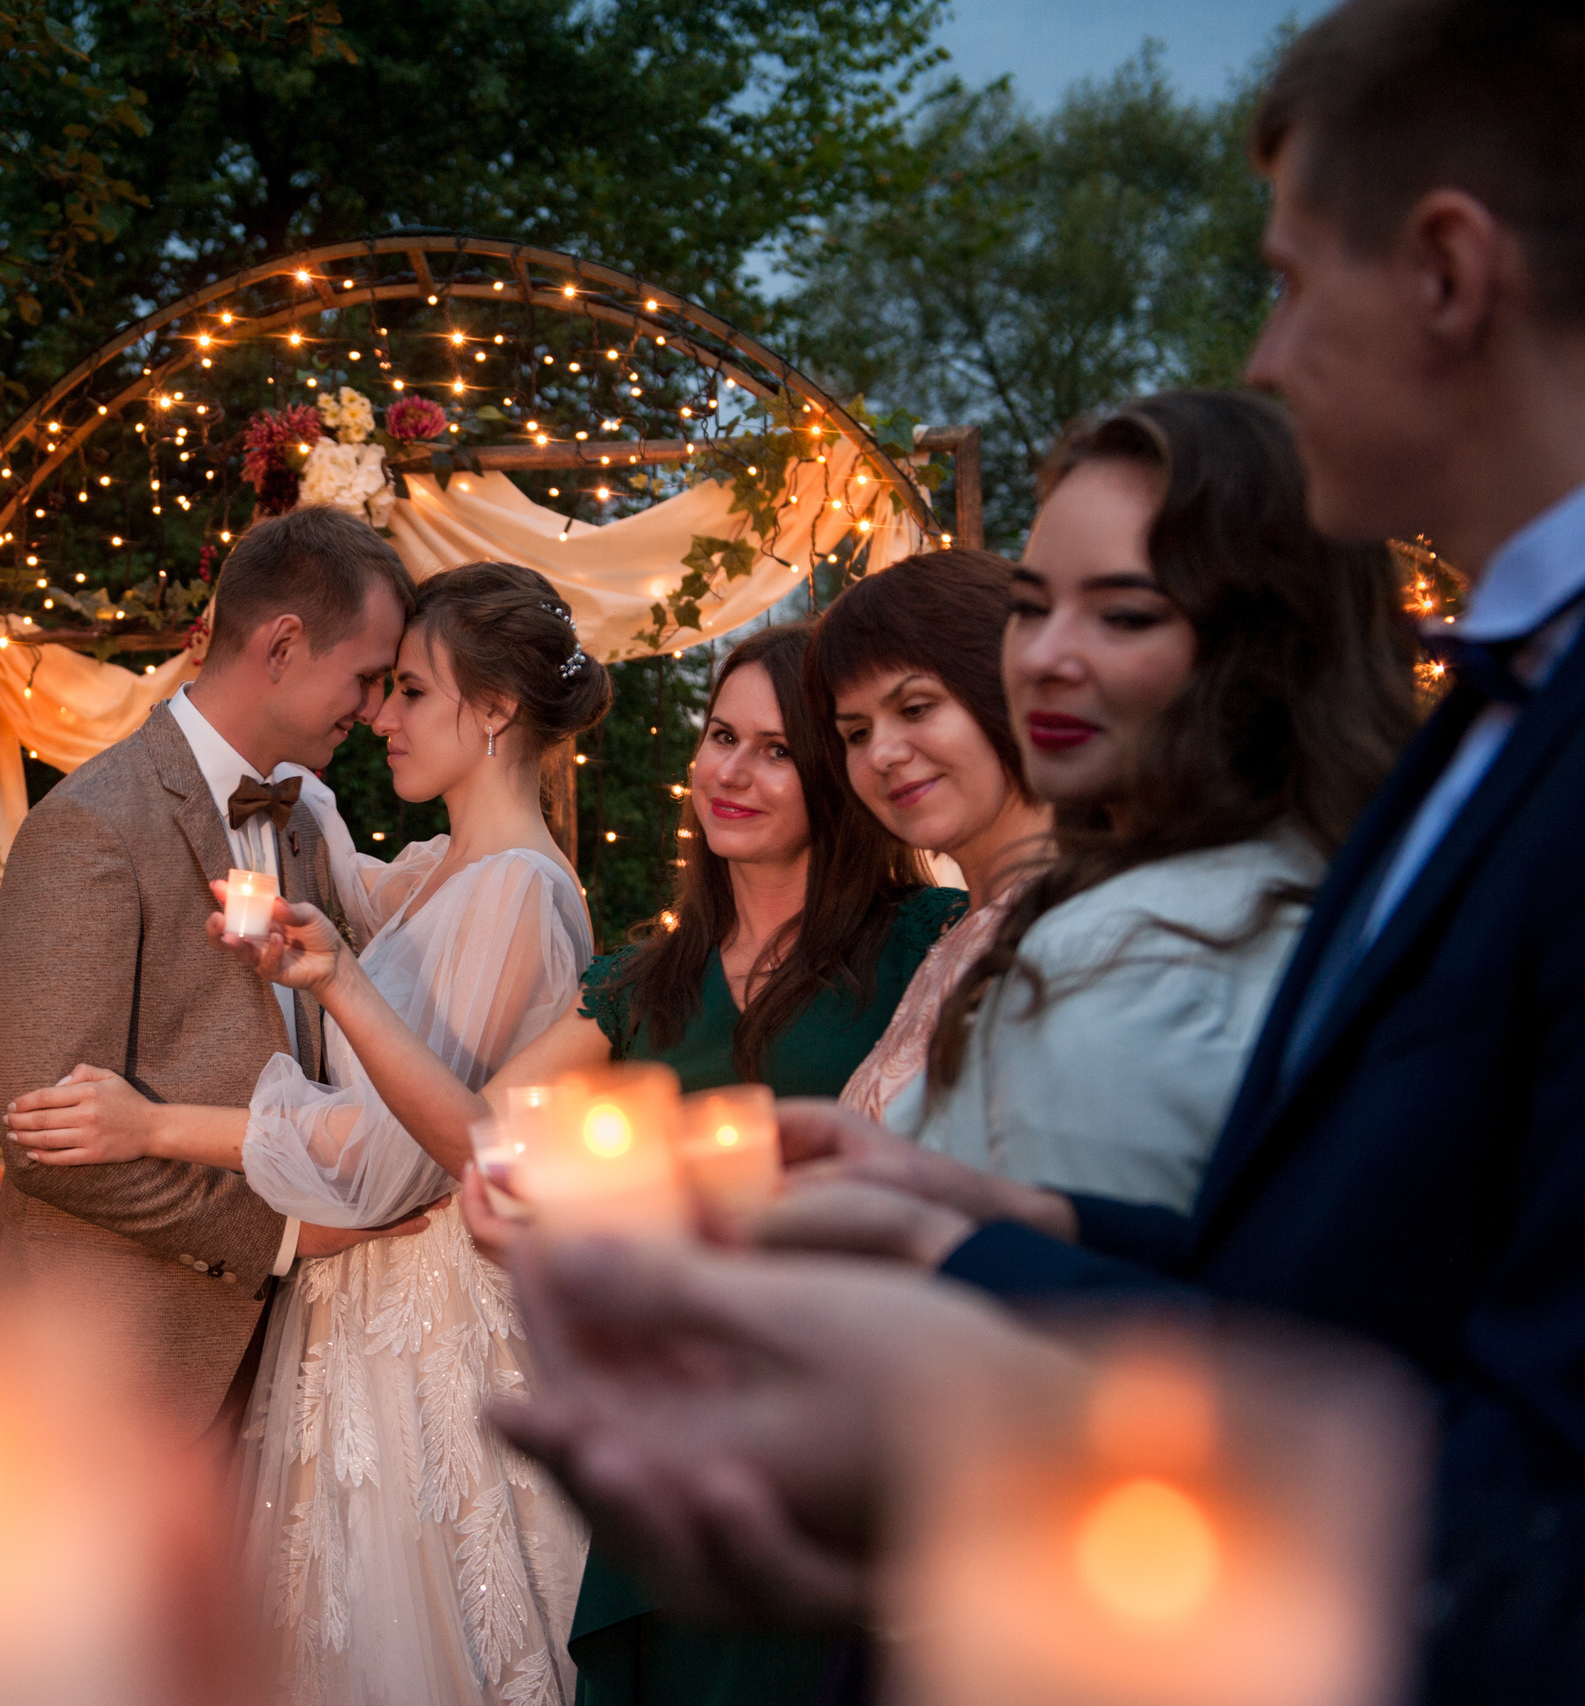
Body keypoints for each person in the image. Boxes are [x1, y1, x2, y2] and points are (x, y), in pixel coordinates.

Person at [511, 2, 1585, 1696]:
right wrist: (977, 1225)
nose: (1265, 359)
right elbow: (1318, 1294)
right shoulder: (1498, 721)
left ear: (1449, 272)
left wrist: (966, 1399)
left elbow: (1533, 1468)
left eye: (1291, 281)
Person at [211, 621, 963, 1706]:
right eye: (717, 736)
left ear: (838, 773)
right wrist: (339, 983)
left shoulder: (927, 944)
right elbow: (482, 1144)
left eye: (776, 748)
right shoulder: (642, 980)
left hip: (836, 1438)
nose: (729, 772)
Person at [6, 562, 610, 1705]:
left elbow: (387, 1154)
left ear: (492, 711)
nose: (380, 712)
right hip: (343, 1327)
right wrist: (291, 775)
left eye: (411, 690)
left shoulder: (517, 891)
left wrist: (152, 1121)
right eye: (375, 683)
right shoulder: (436, 871)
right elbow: (347, 881)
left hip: (417, 1325)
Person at [833, 393, 1414, 1212]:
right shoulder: (1096, 912)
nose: (1045, 656)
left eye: (1125, 614)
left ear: (1272, 646)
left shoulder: (1137, 953)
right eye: (1031, 608)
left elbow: (1079, 1320)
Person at [0, 504, 435, 1445]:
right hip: (116, 1361)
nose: (372, 710)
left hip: (278, 1355)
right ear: (282, 646)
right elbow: (46, 1137)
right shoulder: (92, 823)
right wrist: (288, 1238)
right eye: (363, 677)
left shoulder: (307, 821)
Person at [805, 549, 1052, 1119]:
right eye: (857, 732)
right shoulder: (962, 933)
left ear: (1010, 688)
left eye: (915, 708)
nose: (883, 754)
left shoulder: (1074, 928)